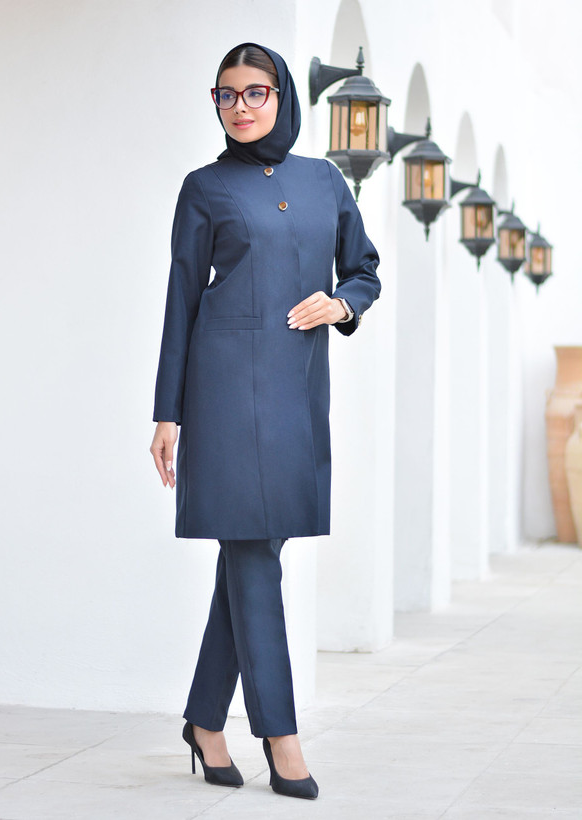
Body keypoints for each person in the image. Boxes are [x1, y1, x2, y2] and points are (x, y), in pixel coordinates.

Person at [150, 42, 380, 800]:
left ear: (282, 96)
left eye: (255, 92)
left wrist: (342, 303)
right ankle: (281, 737)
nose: (240, 107)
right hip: (222, 388)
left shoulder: (324, 182)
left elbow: (364, 269)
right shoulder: (204, 187)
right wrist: (167, 413)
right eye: (226, 95)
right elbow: (182, 300)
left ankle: (203, 721)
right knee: (252, 551)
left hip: (295, 388)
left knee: (255, 550)